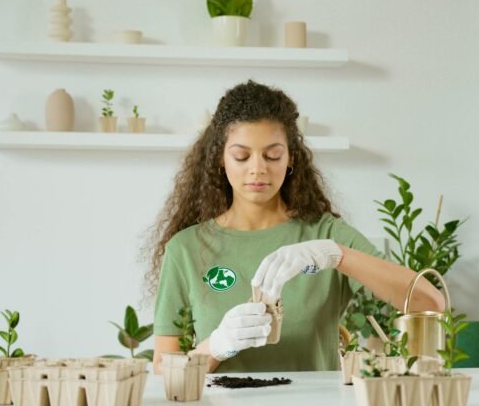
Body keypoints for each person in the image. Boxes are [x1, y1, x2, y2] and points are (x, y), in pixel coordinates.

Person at [146, 80, 444, 373]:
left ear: (291, 159)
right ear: (220, 160)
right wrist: (215, 347)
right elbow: (163, 371)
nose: (258, 168)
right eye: (241, 156)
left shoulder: (325, 235)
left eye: (272, 155)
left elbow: (429, 301)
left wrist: (337, 255)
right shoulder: (186, 249)